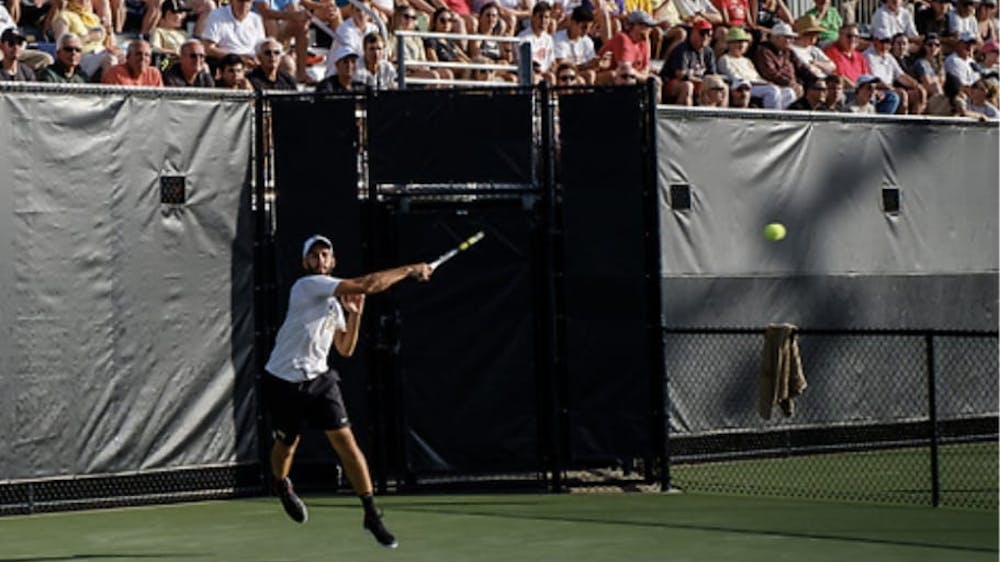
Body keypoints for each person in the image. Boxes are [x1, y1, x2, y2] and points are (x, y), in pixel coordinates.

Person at [264, 234, 432, 548]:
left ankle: (371, 514)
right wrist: (410, 269)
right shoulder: (306, 286)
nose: (320, 260)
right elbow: (368, 284)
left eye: (325, 254)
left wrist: (354, 315)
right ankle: (281, 484)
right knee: (286, 446)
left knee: (347, 444)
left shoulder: (333, 302)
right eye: (313, 255)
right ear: (305, 263)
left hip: (319, 380)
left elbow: (345, 348)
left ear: (333, 260)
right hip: (283, 380)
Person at [717, 25, 796, 107]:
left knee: (789, 92)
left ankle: (779, 114)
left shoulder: (746, 60)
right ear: (729, 44)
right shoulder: (724, 59)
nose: (742, 45)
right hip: (743, 88)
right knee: (772, 91)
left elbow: (756, 76)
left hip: (758, 85)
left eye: (744, 42)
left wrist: (767, 83)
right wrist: (764, 84)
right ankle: (771, 117)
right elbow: (735, 78)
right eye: (737, 42)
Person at [864, 30, 925, 113]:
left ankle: (914, 123)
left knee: (919, 93)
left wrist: (917, 85)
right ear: (875, 41)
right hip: (877, 89)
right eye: (882, 41)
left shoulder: (888, 56)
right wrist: (891, 88)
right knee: (902, 94)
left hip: (889, 88)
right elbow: (874, 79)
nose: (885, 45)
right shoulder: (868, 56)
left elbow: (901, 76)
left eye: (888, 42)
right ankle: (901, 123)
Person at [659, 17, 716, 104]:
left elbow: (711, 74)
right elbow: (680, 74)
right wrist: (701, 82)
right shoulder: (682, 49)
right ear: (693, 33)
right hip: (671, 83)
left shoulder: (708, 52)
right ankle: (684, 116)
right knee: (688, 86)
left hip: (697, 82)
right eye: (702, 33)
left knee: (720, 87)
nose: (705, 37)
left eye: (709, 34)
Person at [252, 0, 310, 82]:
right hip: (259, 26)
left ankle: (301, 74)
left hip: (279, 24)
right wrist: (294, 15)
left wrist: (301, 15)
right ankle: (274, 58)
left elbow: (293, 8)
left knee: (302, 24)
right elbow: (265, 11)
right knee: (270, 21)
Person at [202, 0, 266, 71]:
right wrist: (239, 58)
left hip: (252, 65)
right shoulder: (217, 15)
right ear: (231, 1)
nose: (244, 5)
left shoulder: (256, 19)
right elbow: (208, 48)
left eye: (248, 1)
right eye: (240, 1)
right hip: (227, 64)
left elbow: (261, 48)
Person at [751, 21, 805, 101]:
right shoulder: (763, 51)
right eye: (787, 37)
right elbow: (770, 73)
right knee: (787, 92)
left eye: (791, 38)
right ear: (775, 38)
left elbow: (802, 67)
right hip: (776, 86)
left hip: (792, 84)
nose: (790, 40)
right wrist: (789, 83)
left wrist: (815, 79)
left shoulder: (789, 52)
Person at [553, 6, 599, 83]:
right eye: (584, 27)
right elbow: (562, 68)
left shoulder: (587, 41)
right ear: (573, 23)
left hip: (581, 73)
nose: (586, 31)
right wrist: (587, 66)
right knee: (586, 77)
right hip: (565, 76)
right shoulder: (558, 39)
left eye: (589, 28)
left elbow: (592, 64)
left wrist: (598, 63)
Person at [518, 1, 556, 76]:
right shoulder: (523, 37)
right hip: (529, 74)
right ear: (533, 17)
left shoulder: (548, 39)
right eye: (540, 16)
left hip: (545, 74)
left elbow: (552, 61)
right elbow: (522, 62)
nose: (543, 21)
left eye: (546, 17)